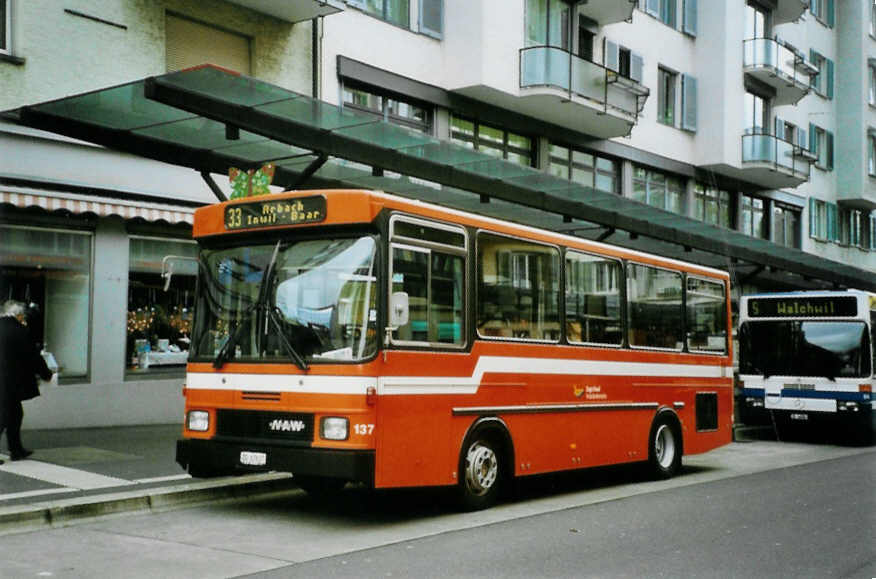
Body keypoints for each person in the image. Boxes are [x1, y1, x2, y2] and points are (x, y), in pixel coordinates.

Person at [0, 300, 53, 463]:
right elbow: (33, 357)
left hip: (5, 381)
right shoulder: (20, 331)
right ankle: (16, 449)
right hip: (9, 381)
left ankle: (16, 449)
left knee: (14, 414)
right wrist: (46, 373)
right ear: (18, 315)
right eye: (22, 315)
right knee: (6, 416)